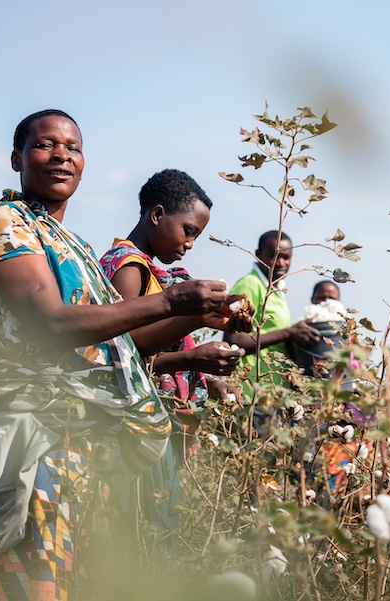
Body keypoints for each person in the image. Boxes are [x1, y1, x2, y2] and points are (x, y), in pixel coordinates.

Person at [0, 110, 238, 601]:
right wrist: (171, 301)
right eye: (45, 145)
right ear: (16, 158)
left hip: (82, 447)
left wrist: (197, 314)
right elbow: (51, 324)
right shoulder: (6, 223)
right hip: (28, 438)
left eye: (72, 148)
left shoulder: (73, 245)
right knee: (29, 578)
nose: (61, 155)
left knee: (75, 581)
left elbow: (122, 348)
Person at [98, 168, 246, 553]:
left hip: (151, 423)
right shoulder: (129, 267)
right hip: (132, 427)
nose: (190, 244)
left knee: (156, 535)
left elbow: (155, 351)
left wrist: (206, 377)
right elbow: (123, 354)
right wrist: (195, 351)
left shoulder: (149, 271)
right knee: (145, 542)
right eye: (188, 231)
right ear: (158, 214)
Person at [223, 231, 320, 389]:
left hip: (272, 388)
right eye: (273, 256)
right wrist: (288, 333)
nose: (280, 263)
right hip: (252, 387)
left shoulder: (276, 289)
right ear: (258, 255)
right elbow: (234, 341)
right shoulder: (250, 285)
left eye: (286, 257)